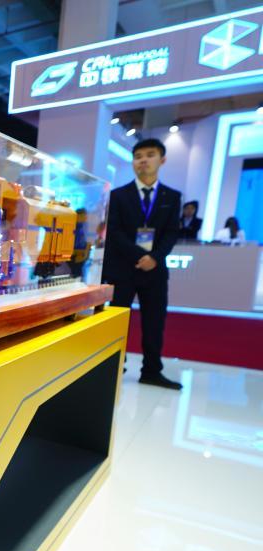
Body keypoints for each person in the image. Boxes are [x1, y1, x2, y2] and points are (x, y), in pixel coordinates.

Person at [104, 138, 182, 390]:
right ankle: (115, 366)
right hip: (123, 269)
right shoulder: (118, 195)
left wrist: (155, 258)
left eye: (150, 155)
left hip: (155, 271)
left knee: (154, 322)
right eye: (138, 156)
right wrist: (140, 255)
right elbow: (114, 232)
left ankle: (151, 371)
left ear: (162, 160)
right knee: (118, 319)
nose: (143, 160)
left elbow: (171, 232)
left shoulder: (172, 196)